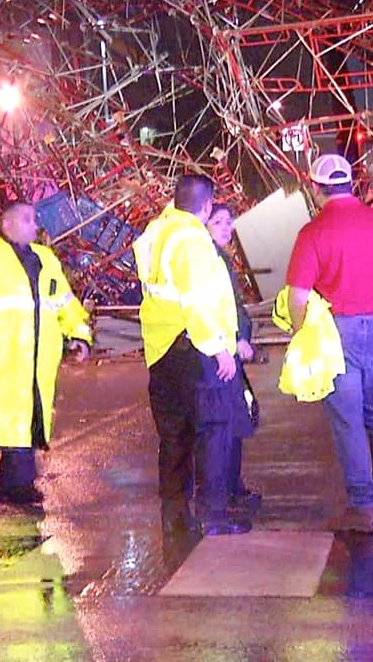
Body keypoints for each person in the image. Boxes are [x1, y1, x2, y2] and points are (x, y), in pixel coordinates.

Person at [285, 154, 373, 533]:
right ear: (352, 183)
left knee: (348, 418)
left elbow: (297, 296)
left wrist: (303, 334)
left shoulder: (313, 232)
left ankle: (364, 507)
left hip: (335, 332)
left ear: (316, 189)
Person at [0, 201, 93, 506]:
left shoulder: (46, 259)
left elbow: (65, 302)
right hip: (2, 359)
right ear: (7, 224)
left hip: (37, 360)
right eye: (27, 219)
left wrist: (79, 334)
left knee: (28, 422)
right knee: (15, 423)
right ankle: (19, 486)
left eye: (35, 219)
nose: (35, 225)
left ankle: (8, 484)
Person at [134, 175, 251, 536]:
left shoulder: (159, 231)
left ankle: (175, 513)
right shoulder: (192, 240)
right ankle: (213, 515)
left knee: (174, 434)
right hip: (193, 350)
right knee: (213, 432)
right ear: (206, 205)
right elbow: (198, 300)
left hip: (162, 347)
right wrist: (219, 348)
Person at [206, 202, 262, 509]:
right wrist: (232, 342)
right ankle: (222, 493)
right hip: (220, 355)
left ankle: (232, 486)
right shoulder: (208, 261)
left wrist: (242, 335)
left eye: (229, 222)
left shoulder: (222, 260)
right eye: (218, 222)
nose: (226, 227)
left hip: (231, 351)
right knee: (225, 425)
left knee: (236, 421)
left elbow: (234, 307)